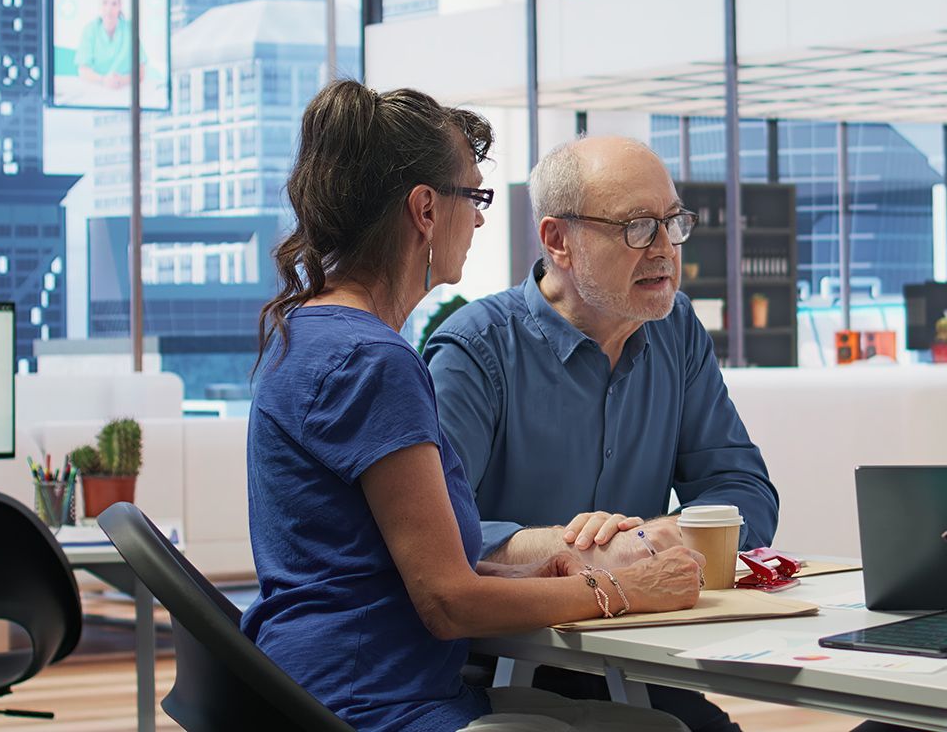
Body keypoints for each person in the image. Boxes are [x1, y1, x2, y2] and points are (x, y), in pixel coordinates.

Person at [243, 83, 704, 732]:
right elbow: (447, 603)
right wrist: (624, 590)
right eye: (475, 197)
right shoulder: (374, 361)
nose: (482, 220)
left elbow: (373, 571)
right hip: (377, 707)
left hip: (320, 688)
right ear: (426, 210)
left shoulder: (310, 333)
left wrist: (535, 576)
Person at [427, 136, 779, 732]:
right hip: (494, 666)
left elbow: (744, 489)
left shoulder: (676, 328)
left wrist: (660, 536)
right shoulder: (474, 350)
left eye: (672, 222)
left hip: (638, 650)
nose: (666, 249)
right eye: (638, 227)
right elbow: (435, 542)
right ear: (557, 240)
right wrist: (572, 550)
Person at [75, 0, 133, 90]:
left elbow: (141, 71)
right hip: (96, 90)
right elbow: (83, 71)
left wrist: (122, 81)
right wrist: (103, 80)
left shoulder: (130, 29)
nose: (109, 9)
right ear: (99, 5)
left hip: (125, 91)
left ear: (120, 6)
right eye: (105, 3)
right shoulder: (89, 30)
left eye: (114, 4)